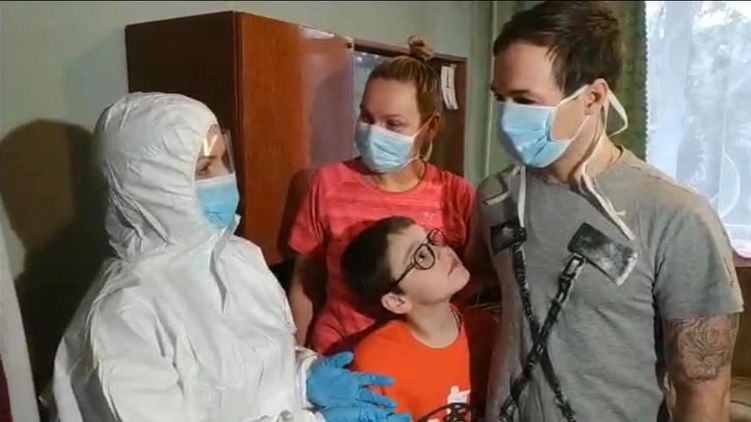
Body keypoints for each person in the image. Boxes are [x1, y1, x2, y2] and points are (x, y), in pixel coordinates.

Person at [51, 92, 408, 422]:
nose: (225, 177)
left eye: (223, 159)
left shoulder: (239, 259)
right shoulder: (123, 319)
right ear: (151, 186)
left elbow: (259, 369)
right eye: (204, 168)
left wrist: (304, 377)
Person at [469, 2, 744, 421]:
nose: (507, 117)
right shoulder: (495, 197)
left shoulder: (675, 215)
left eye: (525, 101)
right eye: (500, 97)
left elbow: (704, 388)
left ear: (593, 97)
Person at [288, 36, 475, 355]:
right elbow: (305, 284)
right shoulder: (327, 184)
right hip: (339, 359)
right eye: (366, 117)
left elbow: (469, 286)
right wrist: (299, 360)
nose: (374, 132)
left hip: (423, 364)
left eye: (394, 124)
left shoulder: (455, 195)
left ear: (430, 128)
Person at [342, 217, 495, 422]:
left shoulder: (486, 329)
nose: (441, 251)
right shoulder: (376, 362)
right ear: (397, 301)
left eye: (433, 240)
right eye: (421, 256)